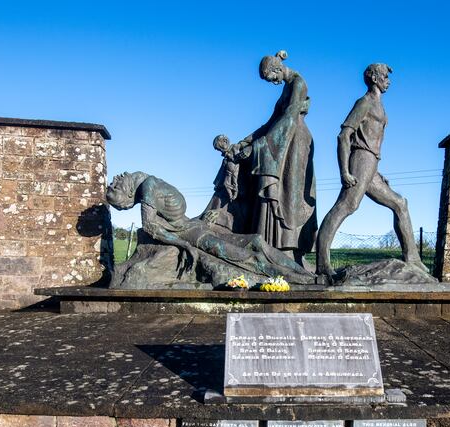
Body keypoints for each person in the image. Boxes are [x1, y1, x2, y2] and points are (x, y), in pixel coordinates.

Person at [106, 171, 315, 284]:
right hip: (194, 236)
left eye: (123, 204)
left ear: (125, 191)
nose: (128, 207)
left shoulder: (148, 186)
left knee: (256, 242)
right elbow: (151, 227)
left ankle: (309, 277)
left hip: (195, 227)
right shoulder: (148, 186)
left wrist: (201, 220)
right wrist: (184, 245)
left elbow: (152, 224)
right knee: (249, 256)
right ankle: (299, 280)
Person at [315, 63, 422, 278]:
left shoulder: (380, 105)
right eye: (384, 76)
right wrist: (344, 171)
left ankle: (413, 259)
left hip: (371, 163)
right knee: (347, 205)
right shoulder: (364, 103)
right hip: (361, 159)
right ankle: (322, 263)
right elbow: (344, 136)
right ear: (374, 78)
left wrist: (375, 171)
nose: (388, 80)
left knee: (400, 203)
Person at [237, 50, 317, 266]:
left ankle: (289, 250)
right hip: (283, 138)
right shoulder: (286, 88)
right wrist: (246, 141)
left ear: (277, 69)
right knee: (280, 193)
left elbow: (289, 118)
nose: (271, 82)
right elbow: (271, 122)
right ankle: (270, 246)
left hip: (295, 142)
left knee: (289, 194)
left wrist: (259, 147)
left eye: (270, 77)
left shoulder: (298, 84)